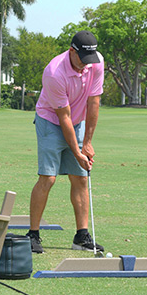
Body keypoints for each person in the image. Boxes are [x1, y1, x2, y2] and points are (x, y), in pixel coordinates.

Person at [26, 30, 105, 254]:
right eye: (82, 59)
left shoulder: (96, 63)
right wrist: (76, 151)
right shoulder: (54, 72)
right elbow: (64, 117)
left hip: (78, 121)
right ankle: (33, 233)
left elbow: (94, 103)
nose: (85, 65)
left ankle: (81, 236)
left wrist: (87, 143)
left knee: (80, 178)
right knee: (48, 178)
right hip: (50, 120)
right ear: (72, 51)